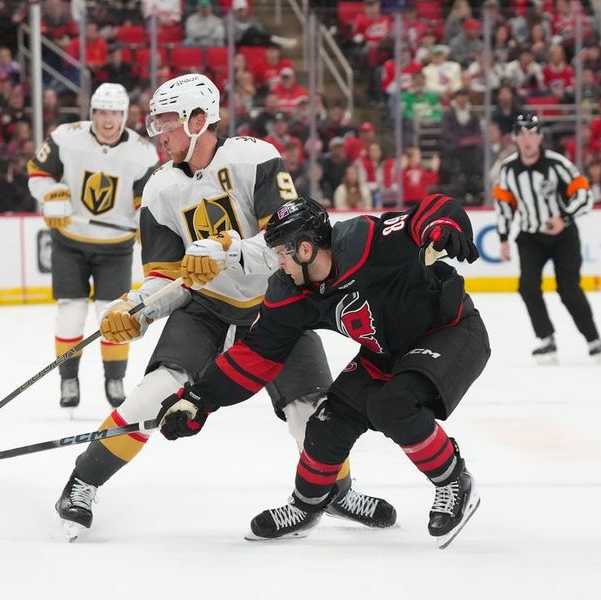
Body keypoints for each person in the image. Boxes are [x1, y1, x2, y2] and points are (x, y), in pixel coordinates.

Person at [53, 74, 393, 540]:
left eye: (168, 120)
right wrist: (137, 308)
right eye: (156, 121)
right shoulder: (158, 189)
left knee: (311, 414)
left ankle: (333, 492)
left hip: (280, 306)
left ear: (199, 119)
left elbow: (293, 243)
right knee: (152, 393)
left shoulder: (255, 158)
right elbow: (166, 276)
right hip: (206, 310)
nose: (159, 131)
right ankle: (80, 484)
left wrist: (227, 250)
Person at [154, 195, 489, 549]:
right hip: (384, 353)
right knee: (326, 422)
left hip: (450, 332)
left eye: (282, 253)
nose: (278, 263)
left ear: (305, 248)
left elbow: (432, 210)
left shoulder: (366, 242)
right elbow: (256, 355)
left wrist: (444, 227)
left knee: (394, 404)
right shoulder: (289, 291)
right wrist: (199, 399)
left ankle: (454, 480)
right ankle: (307, 506)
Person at [27, 83, 159, 409]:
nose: (108, 119)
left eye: (114, 112)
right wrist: (51, 195)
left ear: (125, 115)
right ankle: (68, 378)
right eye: (101, 111)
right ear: (92, 113)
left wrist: (146, 221)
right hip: (69, 242)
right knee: (70, 312)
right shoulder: (64, 137)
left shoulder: (143, 152)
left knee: (112, 314)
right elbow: (37, 173)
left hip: (115, 247)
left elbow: (150, 197)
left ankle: (114, 378)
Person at [494, 113, 601, 362]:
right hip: (530, 236)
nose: (527, 139)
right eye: (522, 134)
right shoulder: (508, 170)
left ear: (540, 137)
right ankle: (546, 338)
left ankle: (592, 338)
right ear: (514, 138)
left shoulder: (558, 164)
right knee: (528, 287)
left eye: (532, 133)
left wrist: (563, 218)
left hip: (563, 235)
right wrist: (503, 238)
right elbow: (503, 206)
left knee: (568, 288)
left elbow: (584, 195)